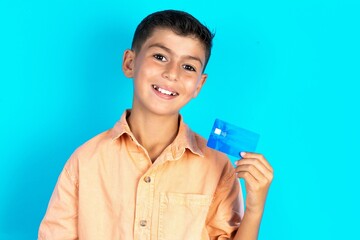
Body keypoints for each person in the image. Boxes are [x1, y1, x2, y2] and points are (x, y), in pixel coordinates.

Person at [38, 9, 273, 240]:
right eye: (160, 57)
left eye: (188, 66)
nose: (172, 73)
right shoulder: (85, 161)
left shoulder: (218, 165)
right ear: (130, 63)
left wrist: (255, 208)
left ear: (199, 85)